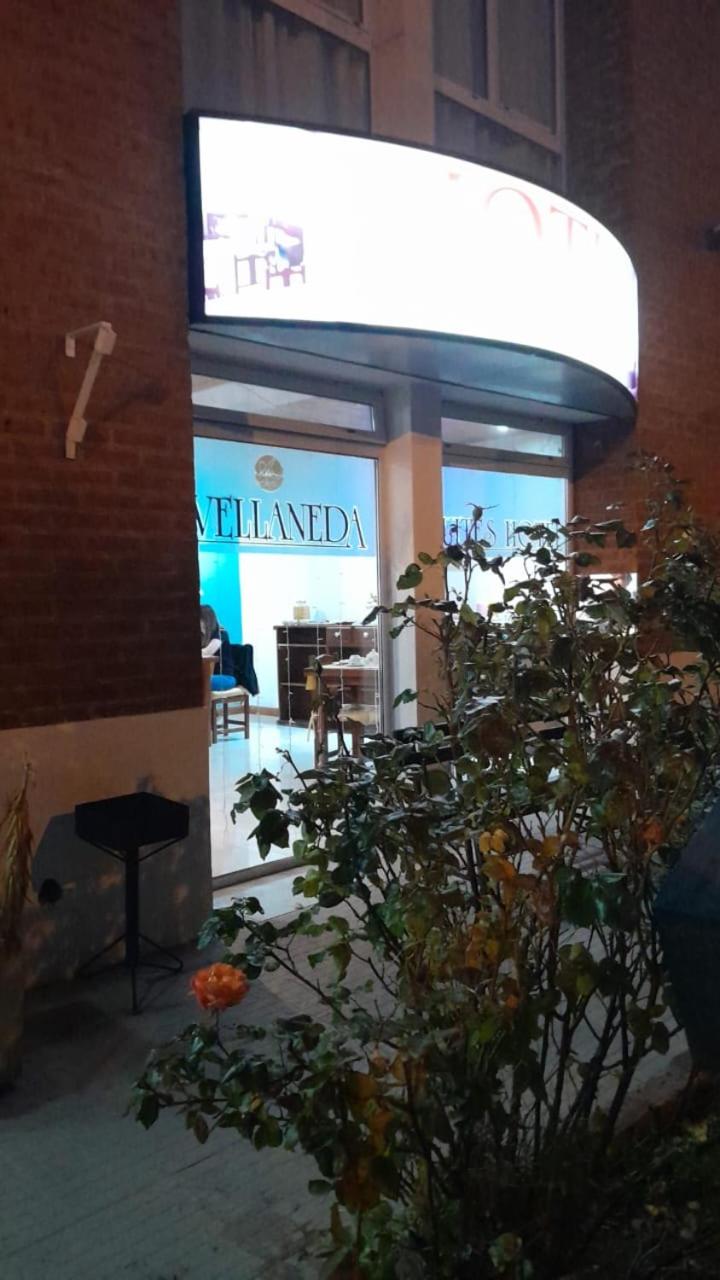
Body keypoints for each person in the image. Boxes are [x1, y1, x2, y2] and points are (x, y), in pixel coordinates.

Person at [200, 604, 236, 691]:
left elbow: (205, 653)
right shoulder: (202, 636)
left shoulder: (221, 634)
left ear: (206, 620)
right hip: (208, 676)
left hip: (225, 678)